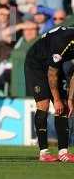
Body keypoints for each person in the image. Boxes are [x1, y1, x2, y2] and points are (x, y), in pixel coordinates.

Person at [25, 26, 74, 162]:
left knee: (64, 106)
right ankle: (44, 152)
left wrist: (70, 99)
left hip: (54, 65)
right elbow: (52, 74)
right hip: (36, 65)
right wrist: (56, 99)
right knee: (44, 104)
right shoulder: (64, 42)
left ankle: (63, 153)